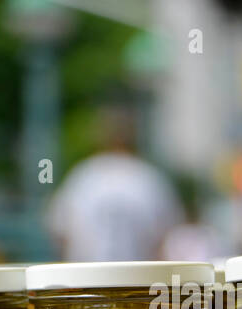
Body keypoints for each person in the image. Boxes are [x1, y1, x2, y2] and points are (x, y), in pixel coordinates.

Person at [46, 107, 182, 261]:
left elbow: (61, 232)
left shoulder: (82, 176)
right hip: (137, 278)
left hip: (87, 277)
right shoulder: (150, 179)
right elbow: (164, 238)